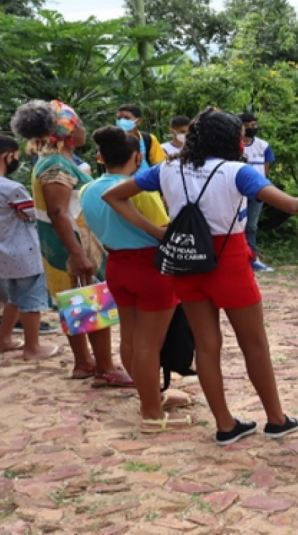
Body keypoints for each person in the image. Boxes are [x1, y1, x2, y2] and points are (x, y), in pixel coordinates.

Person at [104, 108, 298, 445]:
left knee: (206, 345)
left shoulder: (168, 168)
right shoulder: (236, 171)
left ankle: (225, 424)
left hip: (187, 259)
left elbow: (112, 195)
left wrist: (158, 232)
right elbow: (290, 205)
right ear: (233, 139)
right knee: (255, 344)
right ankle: (276, 419)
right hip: (228, 259)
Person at [12, 100, 132, 386]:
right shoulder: (55, 165)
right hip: (72, 246)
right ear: (65, 131)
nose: (83, 129)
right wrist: (78, 254)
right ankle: (105, 368)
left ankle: (84, 362)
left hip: (63, 246)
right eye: (77, 123)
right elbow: (58, 212)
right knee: (91, 303)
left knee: (76, 303)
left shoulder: (54, 161)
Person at [80, 126, 192, 433]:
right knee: (148, 343)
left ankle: (150, 397)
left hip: (117, 264)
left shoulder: (87, 190)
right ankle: (152, 412)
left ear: (100, 157)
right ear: (138, 157)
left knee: (130, 337)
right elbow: (165, 229)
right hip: (151, 267)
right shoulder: (138, 189)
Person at [0, 134, 61, 361]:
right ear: (7, 157)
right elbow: (36, 214)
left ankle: (3, 340)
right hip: (23, 252)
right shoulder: (11, 188)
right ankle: (32, 347)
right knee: (31, 300)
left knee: (15, 298)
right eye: (16, 156)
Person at [239, 113, 276, 272]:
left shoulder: (263, 145)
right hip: (237, 191)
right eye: (247, 126)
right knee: (235, 225)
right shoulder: (232, 145)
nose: (251, 128)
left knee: (251, 226)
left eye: (254, 125)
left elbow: (266, 168)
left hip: (257, 191)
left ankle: (252, 258)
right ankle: (237, 258)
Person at [116, 104, 166, 172]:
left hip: (145, 180)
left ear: (138, 120)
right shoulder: (111, 140)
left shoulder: (148, 139)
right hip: (119, 181)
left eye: (127, 118)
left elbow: (160, 164)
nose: (121, 121)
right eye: (119, 118)